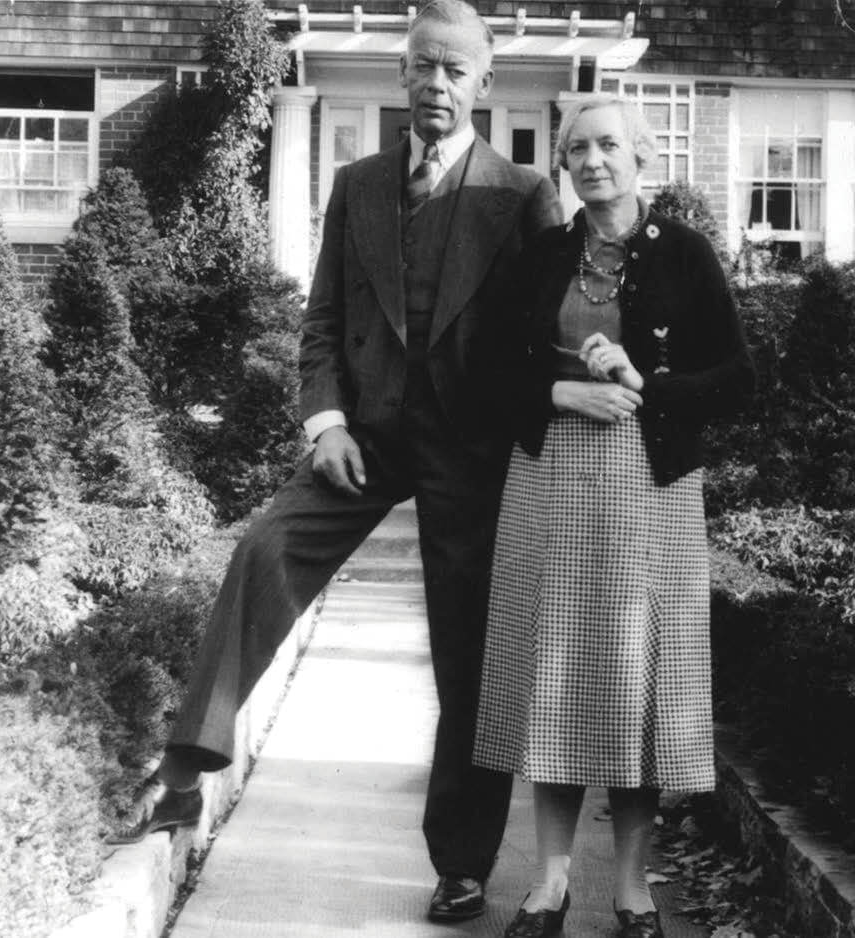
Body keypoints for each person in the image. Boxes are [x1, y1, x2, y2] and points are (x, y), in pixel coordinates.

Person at [108, 0, 562, 924]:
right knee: (265, 548)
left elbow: (541, 336)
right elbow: (319, 327)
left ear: (484, 84)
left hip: (469, 452)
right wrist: (326, 425)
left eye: (455, 70)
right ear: (403, 72)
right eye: (423, 65)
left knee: (468, 653)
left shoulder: (521, 197)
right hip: (367, 432)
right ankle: (190, 769)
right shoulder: (356, 185)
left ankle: (464, 863)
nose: (436, 83)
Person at [471, 96, 755, 938]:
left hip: (650, 488)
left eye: (608, 146)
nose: (591, 161)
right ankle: (549, 886)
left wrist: (643, 382)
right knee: (555, 687)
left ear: (640, 157)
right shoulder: (542, 256)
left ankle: (631, 891)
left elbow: (738, 379)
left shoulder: (687, 255)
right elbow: (485, 367)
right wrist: (557, 389)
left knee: (632, 688)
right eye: (575, 148)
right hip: (550, 479)